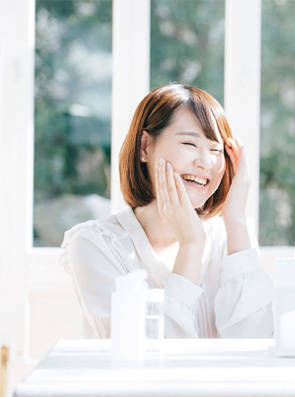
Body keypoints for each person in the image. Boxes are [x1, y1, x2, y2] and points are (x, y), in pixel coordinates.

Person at [61, 84, 273, 339]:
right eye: (189, 143)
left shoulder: (229, 237)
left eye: (216, 150)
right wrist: (191, 244)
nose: (205, 162)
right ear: (144, 147)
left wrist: (235, 218)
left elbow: (254, 344)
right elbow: (152, 356)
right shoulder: (96, 244)